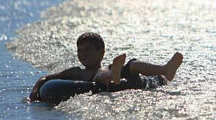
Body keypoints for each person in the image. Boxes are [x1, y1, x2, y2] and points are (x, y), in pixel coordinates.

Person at [28, 32, 183, 102]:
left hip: (109, 73)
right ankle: (114, 76)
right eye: (79, 50)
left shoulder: (103, 68)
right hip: (102, 79)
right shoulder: (76, 72)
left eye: (87, 50)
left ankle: (165, 69)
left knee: (133, 65)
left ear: (101, 53)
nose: (82, 54)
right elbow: (46, 78)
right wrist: (35, 91)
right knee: (102, 76)